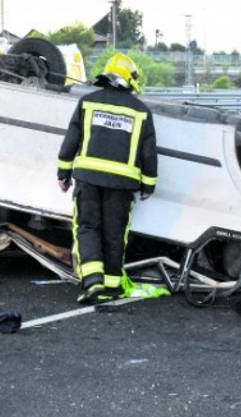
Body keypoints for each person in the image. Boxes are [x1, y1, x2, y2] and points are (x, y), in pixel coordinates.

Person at [57, 53, 157, 304]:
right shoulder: (141, 111)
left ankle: (92, 282)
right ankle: (112, 285)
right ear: (129, 78)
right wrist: (148, 184)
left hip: (88, 179)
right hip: (122, 184)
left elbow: (71, 139)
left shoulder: (88, 102)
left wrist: (63, 173)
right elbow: (148, 152)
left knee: (88, 228)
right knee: (115, 233)